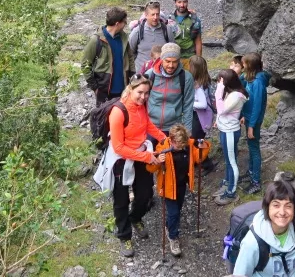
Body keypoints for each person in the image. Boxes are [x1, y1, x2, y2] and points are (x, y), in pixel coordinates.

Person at [94, 74, 168, 258]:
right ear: (130, 89)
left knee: (145, 194)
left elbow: (147, 125)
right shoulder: (118, 112)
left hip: (141, 155)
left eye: (147, 93)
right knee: (121, 200)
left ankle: (135, 217)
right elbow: (119, 147)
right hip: (121, 160)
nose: (143, 97)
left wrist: (164, 139)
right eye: (140, 92)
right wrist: (147, 156)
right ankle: (124, 235)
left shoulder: (142, 105)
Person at [232, 180, 295, 276]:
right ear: (267, 207)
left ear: (294, 208)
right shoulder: (252, 243)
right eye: (276, 205)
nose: (282, 212)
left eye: (288, 206)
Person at [146, 124, 210, 257]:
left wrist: (203, 146)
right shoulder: (162, 147)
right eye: (178, 144)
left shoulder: (189, 145)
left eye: (182, 144)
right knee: (174, 213)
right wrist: (157, 160)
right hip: (168, 187)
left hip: (181, 185)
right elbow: (150, 168)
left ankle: (169, 226)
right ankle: (173, 237)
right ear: (171, 140)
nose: (181, 147)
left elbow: (199, 157)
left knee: (177, 211)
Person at [82, 7, 134, 107]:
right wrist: (95, 87)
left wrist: (132, 77)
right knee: (104, 116)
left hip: (123, 90)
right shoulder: (96, 40)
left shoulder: (123, 38)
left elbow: (130, 58)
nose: (125, 25)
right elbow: (85, 65)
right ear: (117, 23)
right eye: (124, 22)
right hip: (104, 92)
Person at [214, 68, 248, 205]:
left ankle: (231, 193)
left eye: (220, 81)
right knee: (228, 160)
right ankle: (228, 182)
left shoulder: (236, 96)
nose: (218, 83)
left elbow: (221, 110)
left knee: (232, 161)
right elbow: (222, 113)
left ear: (225, 83)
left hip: (230, 131)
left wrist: (218, 91)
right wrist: (217, 121)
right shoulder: (231, 93)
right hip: (225, 129)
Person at [145, 43, 195, 133]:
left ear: (179, 60)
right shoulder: (150, 74)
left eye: (175, 61)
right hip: (150, 126)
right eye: (167, 61)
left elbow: (188, 106)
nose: (171, 65)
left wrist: (187, 132)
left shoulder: (186, 77)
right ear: (161, 59)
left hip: (174, 128)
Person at [240, 52, 271, 195]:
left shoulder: (258, 83)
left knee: (254, 148)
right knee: (251, 146)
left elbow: (257, 106)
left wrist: (251, 126)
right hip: (248, 118)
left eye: (244, 63)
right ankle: (251, 172)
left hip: (254, 121)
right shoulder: (251, 78)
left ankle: (256, 182)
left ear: (250, 66)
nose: (242, 65)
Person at [187, 55, 216, 173]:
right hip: (200, 116)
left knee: (197, 140)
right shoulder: (205, 81)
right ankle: (198, 159)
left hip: (201, 117)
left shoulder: (198, 86)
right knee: (197, 139)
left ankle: (206, 163)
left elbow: (203, 105)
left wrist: (189, 103)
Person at [129, 2, 176, 73]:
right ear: (146, 15)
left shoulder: (167, 30)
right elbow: (130, 53)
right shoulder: (137, 31)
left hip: (161, 74)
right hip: (142, 74)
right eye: (153, 14)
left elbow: (173, 51)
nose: (155, 17)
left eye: (157, 14)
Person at [171, 0, 202, 70]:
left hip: (190, 57)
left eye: (184, 2)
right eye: (179, 2)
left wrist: (198, 60)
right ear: (175, 3)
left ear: (187, 2)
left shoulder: (194, 20)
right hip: (174, 58)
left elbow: (198, 41)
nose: (182, 5)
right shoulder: (169, 20)